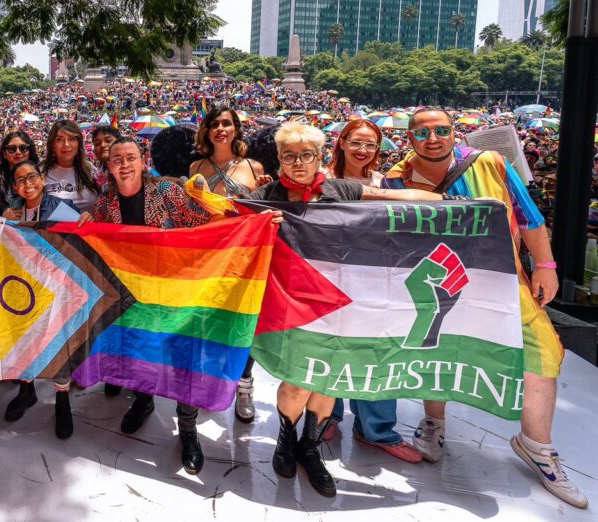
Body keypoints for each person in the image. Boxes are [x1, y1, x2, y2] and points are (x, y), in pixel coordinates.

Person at [383, 107, 587, 509]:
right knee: (434, 350)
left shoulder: (492, 163)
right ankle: (434, 422)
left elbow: (529, 218)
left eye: (441, 130)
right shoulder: (396, 177)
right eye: (422, 133)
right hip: (441, 280)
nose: (433, 138)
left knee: (543, 353)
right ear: (410, 139)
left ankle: (537, 446)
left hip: (505, 280)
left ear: (453, 133)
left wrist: (545, 266)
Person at [249, 122, 441, 498]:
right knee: (296, 379)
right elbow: (232, 219)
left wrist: (454, 205)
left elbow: (394, 200)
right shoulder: (267, 194)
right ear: (280, 159)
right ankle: (286, 444)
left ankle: (310, 448)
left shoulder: (340, 188)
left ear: (319, 157)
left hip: (340, 300)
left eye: (306, 155)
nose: (298, 162)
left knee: (327, 378)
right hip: (291, 300)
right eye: (289, 156)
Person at [89, 137, 212, 475]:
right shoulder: (104, 202)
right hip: (131, 294)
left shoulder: (169, 193)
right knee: (138, 352)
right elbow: (94, 239)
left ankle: (188, 431)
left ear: (143, 162)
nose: (124, 164)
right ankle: (143, 401)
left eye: (130, 157)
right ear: (108, 166)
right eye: (117, 159)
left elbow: (206, 227)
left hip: (174, 293)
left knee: (182, 361)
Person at [323, 120, 422, 462]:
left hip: (378, 279)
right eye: (357, 143)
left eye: (370, 145)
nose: (363, 151)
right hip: (331, 277)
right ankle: (326, 416)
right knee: (330, 348)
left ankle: (376, 429)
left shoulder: (388, 183)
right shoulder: (320, 179)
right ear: (342, 143)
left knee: (378, 351)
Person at [188, 107, 268, 424]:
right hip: (207, 254)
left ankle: (244, 386)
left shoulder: (253, 166)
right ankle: (215, 380)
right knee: (209, 320)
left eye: (228, 124)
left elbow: (261, 208)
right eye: (215, 124)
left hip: (243, 257)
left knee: (242, 323)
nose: (221, 129)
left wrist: (264, 188)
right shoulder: (196, 166)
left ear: (236, 129)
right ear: (206, 130)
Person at [0, 160, 85, 439]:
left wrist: (88, 222)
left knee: (58, 343)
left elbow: (83, 240)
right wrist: (2, 222)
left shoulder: (60, 207)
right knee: (24, 339)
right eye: (21, 180)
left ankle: (62, 401)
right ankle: (27, 392)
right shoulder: (12, 211)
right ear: (15, 186)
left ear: (42, 179)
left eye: (33, 177)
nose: (28, 183)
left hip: (55, 287)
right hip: (24, 288)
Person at [42, 120, 99, 214]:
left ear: (78, 143)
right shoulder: (41, 171)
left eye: (71, 139)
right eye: (59, 139)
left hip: (89, 228)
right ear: (52, 145)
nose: (66, 144)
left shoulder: (90, 169)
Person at [0, 131, 40, 215]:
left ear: (30, 151)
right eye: (12, 149)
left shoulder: (40, 175)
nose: (18, 152)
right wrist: (3, 219)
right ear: (4, 153)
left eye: (23, 148)